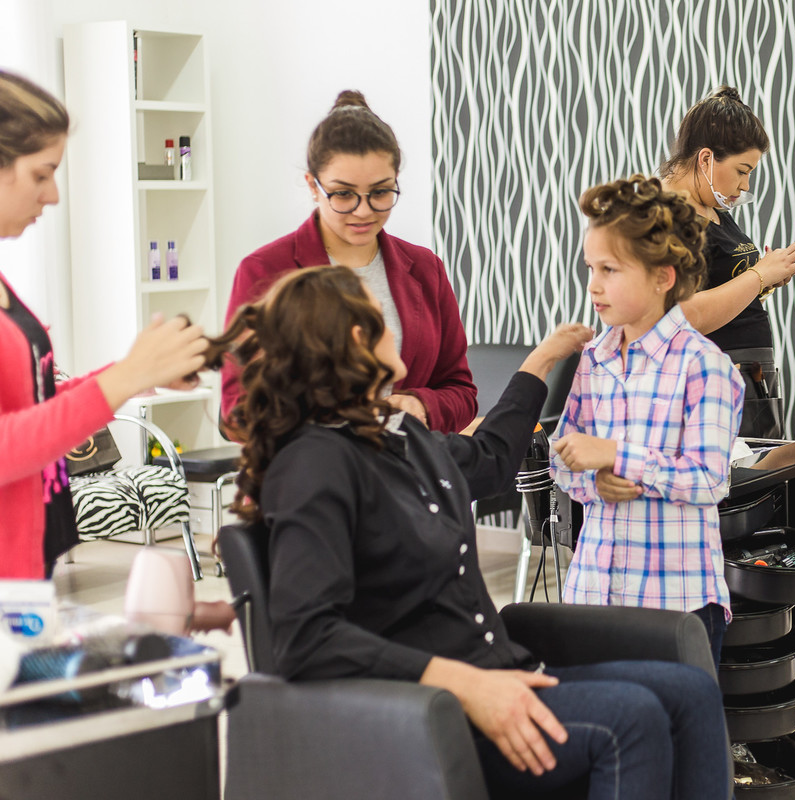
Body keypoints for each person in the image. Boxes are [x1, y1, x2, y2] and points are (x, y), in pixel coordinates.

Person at [207, 265, 730, 799]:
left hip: (495, 671)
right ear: (358, 337)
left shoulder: (397, 436)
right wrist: (465, 684)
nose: (395, 325)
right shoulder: (314, 462)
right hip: (432, 710)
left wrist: (541, 362)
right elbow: (304, 636)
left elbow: (492, 458)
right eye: (382, 315)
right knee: (633, 718)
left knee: (692, 692)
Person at [0, 70, 207, 579]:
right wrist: (126, 376)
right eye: (41, 174)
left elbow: (36, 407)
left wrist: (136, 373)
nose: (53, 196)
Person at [549, 175, 744, 669]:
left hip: (675, 604)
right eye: (590, 268)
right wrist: (595, 480)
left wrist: (618, 457)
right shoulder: (593, 359)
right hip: (593, 594)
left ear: (663, 276)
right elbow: (563, 458)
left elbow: (709, 480)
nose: (593, 284)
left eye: (610, 269)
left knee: (674, 721)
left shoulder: (705, 366)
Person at [221, 90, 476, 433]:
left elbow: (461, 391)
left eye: (380, 192)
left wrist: (421, 405)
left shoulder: (425, 268)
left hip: (407, 465)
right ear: (313, 186)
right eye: (343, 194)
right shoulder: (265, 270)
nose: (364, 211)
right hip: (312, 466)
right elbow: (239, 409)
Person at [660, 85, 795, 438]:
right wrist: (759, 276)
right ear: (706, 159)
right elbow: (682, 314)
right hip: (711, 379)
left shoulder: (709, 206)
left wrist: (767, 279)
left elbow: (719, 283)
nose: (745, 186)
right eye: (742, 170)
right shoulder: (668, 216)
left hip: (745, 373)